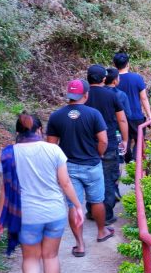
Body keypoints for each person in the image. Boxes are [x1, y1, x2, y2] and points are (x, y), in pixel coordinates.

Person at [0, 113, 84, 273]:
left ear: (17, 133)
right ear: (40, 130)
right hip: (54, 212)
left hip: (27, 216)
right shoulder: (53, 150)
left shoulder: (9, 153)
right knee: (50, 256)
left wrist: (0, 218)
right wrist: (77, 206)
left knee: (31, 257)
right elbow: (65, 183)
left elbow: (5, 190)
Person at [46, 79, 111, 256]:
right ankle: (101, 232)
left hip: (68, 168)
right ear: (86, 95)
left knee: (74, 205)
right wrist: (99, 154)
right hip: (92, 165)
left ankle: (80, 245)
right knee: (97, 200)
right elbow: (103, 140)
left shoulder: (56, 116)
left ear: (69, 95)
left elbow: (52, 146)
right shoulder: (94, 114)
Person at [85, 65, 128, 226]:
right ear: (104, 79)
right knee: (108, 179)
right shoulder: (111, 96)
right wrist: (124, 140)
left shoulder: (83, 96)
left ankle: (91, 211)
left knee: (91, 179)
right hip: (108, 143)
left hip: (88, 145)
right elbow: (122, 119)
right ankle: (107, 215)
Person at [114, 52, 151, 163]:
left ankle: (128, 159)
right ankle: (136, 162)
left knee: (123, 139)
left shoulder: (113, 80)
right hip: (136, 115)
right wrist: (150, 116)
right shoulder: (136, 78)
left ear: (115, 64)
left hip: (119, 116)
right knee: (139, 139)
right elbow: (144, 98)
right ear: (128, 64)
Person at [106, 66, 131, 203]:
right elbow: (126, 115)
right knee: (119, 160)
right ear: (115, 80)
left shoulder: (96, 93)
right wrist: (126, 138)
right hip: (117, 132)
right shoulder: (120, 95)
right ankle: (115, 187)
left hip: (100, 133)